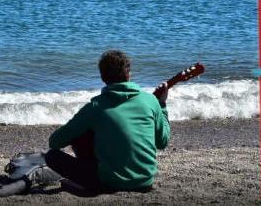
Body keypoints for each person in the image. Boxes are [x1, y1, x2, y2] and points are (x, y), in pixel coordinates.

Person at [44, 50, 170, 193]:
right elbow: (163, 141)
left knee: (52, 156)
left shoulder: (96, 107)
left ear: (103, 77)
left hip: (110, 183)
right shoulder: (150, 100)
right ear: (129, 74)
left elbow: (54, 142)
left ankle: (92, 181)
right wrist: (162, 106)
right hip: (145, 181)